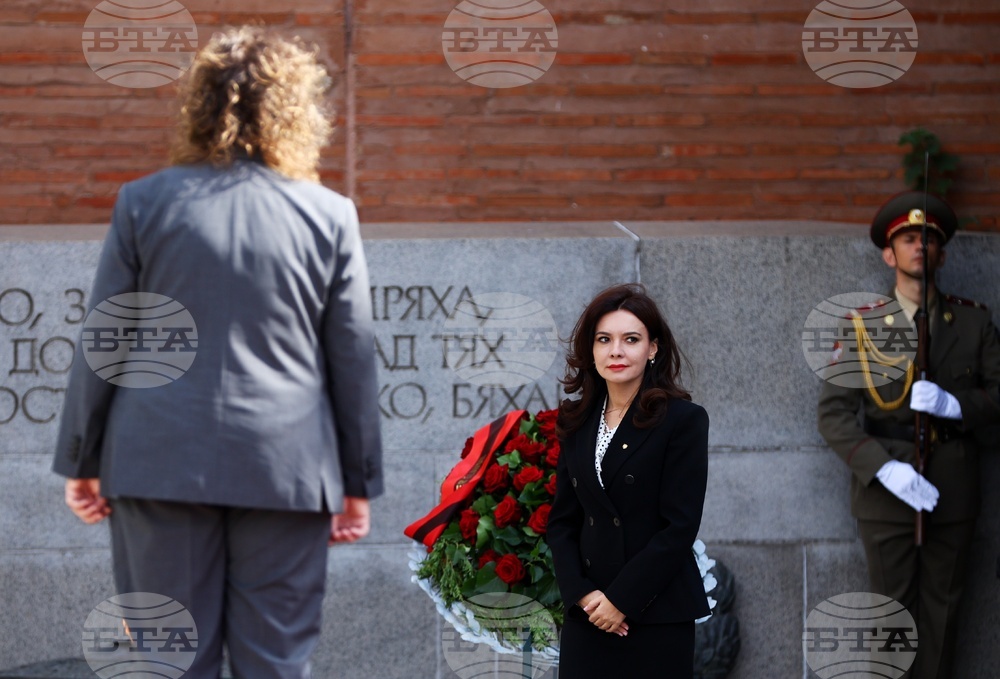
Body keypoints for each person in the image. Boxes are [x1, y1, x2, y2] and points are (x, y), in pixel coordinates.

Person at [52, 27, 383, 679]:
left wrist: (80, 459)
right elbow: (352, 357)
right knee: (275, 661)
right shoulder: (329, 214)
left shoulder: (143, 203)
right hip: (286, 466)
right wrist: (357, 481)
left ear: (199, 106)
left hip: (157, 460)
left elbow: (107, 338)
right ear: (297, 112)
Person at [818, 191, 1000, 679]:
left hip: (954, 488)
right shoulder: (861, 326)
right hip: (886, 494)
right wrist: (884, 468)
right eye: (908, 238)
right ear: (888, 253)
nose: (919, 246)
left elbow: (998, 397)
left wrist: (955, 404)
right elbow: (833, 416)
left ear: (941, 252)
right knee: (889, 621)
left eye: (929, 239)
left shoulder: (974, 320)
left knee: (944, 614)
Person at [547, 283, 711, 678]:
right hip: (589, 612)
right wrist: (583, 595)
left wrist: (621, 599)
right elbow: (562, 522)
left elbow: (679, 526)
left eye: (630, 339)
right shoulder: (576, 421)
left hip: (655, 611)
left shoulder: (682, 420)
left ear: (652, 348)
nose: (616, 351)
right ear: (591, 349)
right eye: (604, 339)